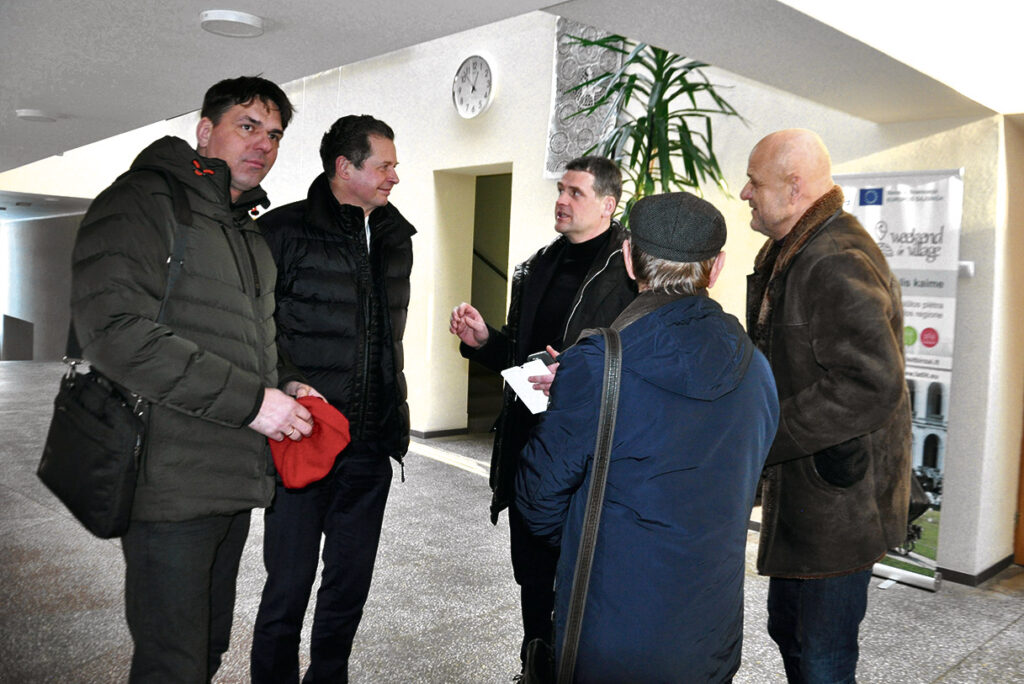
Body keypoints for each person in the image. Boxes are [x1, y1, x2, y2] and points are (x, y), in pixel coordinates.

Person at [71, 76, 318, 682]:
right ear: (205, 130)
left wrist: (286, 383)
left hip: (230, 476)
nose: (263, 144)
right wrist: (253, 403)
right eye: (247, 126)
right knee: (173, 663)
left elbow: (252, 339)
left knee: (205, 650)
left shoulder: (244, 229)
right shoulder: (143, 200)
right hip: (168, 481)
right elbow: (114, 333)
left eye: (274, 135)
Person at [515, 191, 779, 682]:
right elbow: (748, 479)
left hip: (613, 628)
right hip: (710, 636)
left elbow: (537, 499)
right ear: (717, 268)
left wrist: (587, 540)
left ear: (629, 258)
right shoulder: (756, 367)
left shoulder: (601, 363)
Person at [448, 156, 636, 670]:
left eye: (576, 192)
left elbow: (637, 364)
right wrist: (484, 341)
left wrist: (574, 379)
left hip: (591, 453)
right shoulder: (537, 267)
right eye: (560, 190)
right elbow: (519, 353)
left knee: (585, 581)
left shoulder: (629, 272)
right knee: (533, 574)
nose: (562, 200)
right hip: (532, 444)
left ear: (608, 204)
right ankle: (536, 665)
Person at [742, 128, 912, 683]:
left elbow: (870, 383)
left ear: (794, 188)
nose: (745, 193)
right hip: (808, 499)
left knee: (822, 660)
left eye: (754, 182)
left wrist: (765, 433)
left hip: (837, 510)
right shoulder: (794, 249)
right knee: (790, 634)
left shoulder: (834, 257)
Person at [251, 115, 415, 682]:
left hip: (369, 445)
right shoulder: (281, 232)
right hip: (305, 438)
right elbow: (255, 331)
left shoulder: (396, 238)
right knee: (288, 587)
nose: (395, 176)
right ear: (345, 168)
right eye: (384, 165)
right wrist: (287, 381)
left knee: (348, 588)